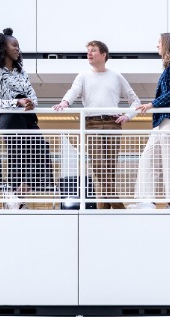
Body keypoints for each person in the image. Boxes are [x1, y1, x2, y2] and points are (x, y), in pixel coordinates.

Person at [52, 41, 141, 209]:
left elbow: (135, 100)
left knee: (109, 168)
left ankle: (104, 212)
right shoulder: (83, 76)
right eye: (88, 51)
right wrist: (65, 102)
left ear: (103, 55)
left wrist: (128, 115)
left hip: (113, 124)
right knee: (99, 165)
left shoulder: (116, 76)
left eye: (93, 51)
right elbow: (74, 91)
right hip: (92, 124)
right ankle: (118, 206)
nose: (89, 54)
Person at [0, 27, 52, 207]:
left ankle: (17, 195)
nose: (17, 49)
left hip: (28, 118)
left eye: (18, 46)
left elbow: (33, 95)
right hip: (10, 117)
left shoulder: (21, 71)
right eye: (13, 45)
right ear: (3, 48)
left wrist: (31, 103)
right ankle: (19, 199)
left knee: (41, 150)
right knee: (19, 156)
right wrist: (17, 102)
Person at [132, 32, 170, 210]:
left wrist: (152, 104)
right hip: (163, 120)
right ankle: (146, 200)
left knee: (168, 160)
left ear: (167, 44)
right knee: (148, 159)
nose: (157, 45)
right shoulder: (169, 66)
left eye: (159, 42)